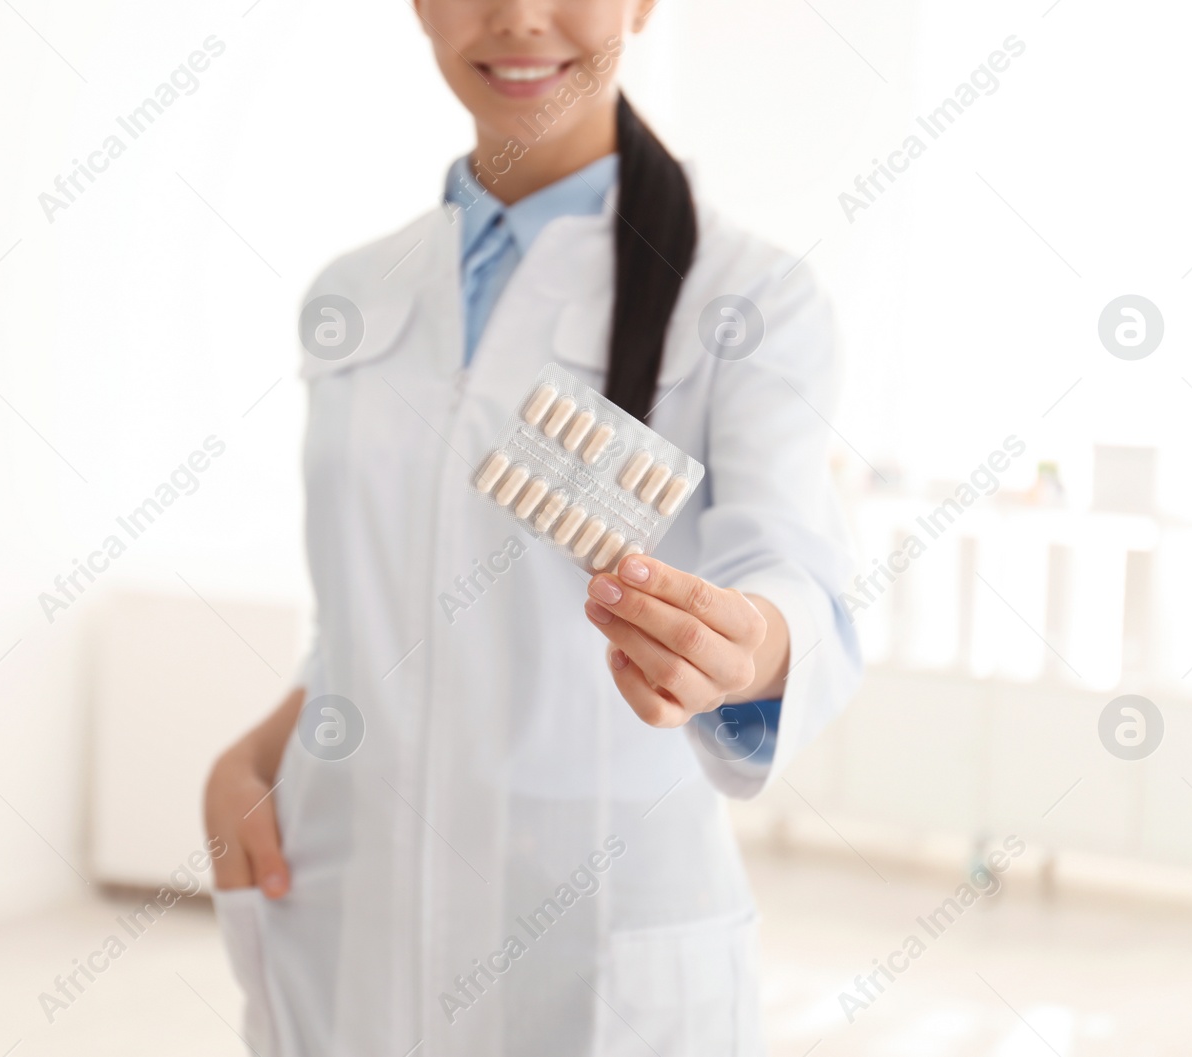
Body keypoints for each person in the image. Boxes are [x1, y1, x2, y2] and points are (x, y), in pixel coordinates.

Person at [204, 1, 860, 1053]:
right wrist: (255, 752)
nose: (517, 16)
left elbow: (790, 576)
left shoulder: (749, 296)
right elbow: (371, 612)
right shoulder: (351, 295)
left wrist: (743, 647)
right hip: (347, 903)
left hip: (594, 936)